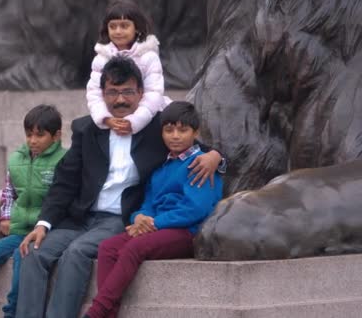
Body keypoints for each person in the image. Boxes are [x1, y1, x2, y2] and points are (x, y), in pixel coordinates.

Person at [16, 56, 225, 318]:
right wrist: (43, 224)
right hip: (80, 218)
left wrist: (218, 157)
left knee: (76, 253)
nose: (120, 100)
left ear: (140, 93)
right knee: (33, 253)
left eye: (127, 91)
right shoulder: (86, 128)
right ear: (102, 94)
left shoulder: (156, 127)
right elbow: (65, 180)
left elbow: (191, 146)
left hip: (119, 219)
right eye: (112, 93)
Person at [83, 101, 224, 318]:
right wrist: (139, 217)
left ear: (195, 132)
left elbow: (196, 209)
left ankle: (96, 312)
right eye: (169, 130)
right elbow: (148, 203)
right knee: (108, 248)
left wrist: (155, 223)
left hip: (188, 232)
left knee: (134, 248)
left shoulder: (201, 164)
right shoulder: (162, 167)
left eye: (182, 130)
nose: (175, 136)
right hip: (156, 228)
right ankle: (108, 314)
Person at [0, 104, 67, 318]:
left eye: (40, 135)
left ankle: (11, 313)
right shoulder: (16, 160)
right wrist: (5, 217)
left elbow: (63, 200)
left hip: (44, 234)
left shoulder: (64, 161)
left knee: (21, 261)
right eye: (29, 134)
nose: (33, 141)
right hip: (19, 230)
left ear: (57, 135)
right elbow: (9, 191)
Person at [87, 0, 171, 136]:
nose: (118, 31)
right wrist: (106, 118)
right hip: (113, 117)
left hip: (148, 117)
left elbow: (153, 93)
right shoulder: (100, 60)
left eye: (124, 26)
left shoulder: (148, 57)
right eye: (113, 26)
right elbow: (94, 93)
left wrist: (136, 121)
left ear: (137, 28)